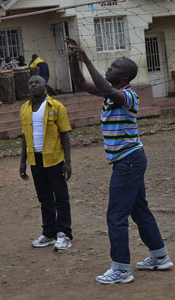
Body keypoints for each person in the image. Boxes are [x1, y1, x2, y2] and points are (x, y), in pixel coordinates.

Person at [66, 37, 173, 284]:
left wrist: (87, 58)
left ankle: (121, 270)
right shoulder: (112, 94)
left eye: (113, 67)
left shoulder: (129, 97)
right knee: (139, 210)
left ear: (124, 77)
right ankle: (159, 257)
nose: (108, 69)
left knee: (115, 216)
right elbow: (82, 83)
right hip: (128, 161)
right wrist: (74, 59)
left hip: (129, 161)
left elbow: (105, 88)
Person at [19, 75, 73, 251]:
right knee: (44, 198)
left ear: (45, 86)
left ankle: (64, 233)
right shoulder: (25, 109)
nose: (33, 85)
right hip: (36, 159)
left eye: (37, 83)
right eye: (30, 83)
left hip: (55, 158)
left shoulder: (56, 107)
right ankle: (48, 233)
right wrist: (22, 162)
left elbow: (65, 134)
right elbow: (25, 138)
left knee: (61, 197)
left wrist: (68, 162)